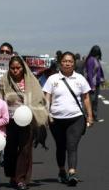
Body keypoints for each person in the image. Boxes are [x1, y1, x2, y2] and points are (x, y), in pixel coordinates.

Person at [42, 51, 93, 187]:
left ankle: (72, 173)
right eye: (65, 61)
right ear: (60, 62)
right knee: (60, 146)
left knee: (72, 145)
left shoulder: (80, 78)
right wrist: (47, 114)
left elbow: (86, 98)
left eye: (70, 61)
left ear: (74, 63)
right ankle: (61, 171)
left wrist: (90, 115)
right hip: (56, 119)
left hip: (76, 118)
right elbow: (47, 97)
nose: (67, 63)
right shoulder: (53, 79)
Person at [0, 56, 49, 190]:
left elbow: (39, 98)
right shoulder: (4, 81)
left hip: (28, 120)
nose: (15, 71)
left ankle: (21, 179)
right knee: (10, 149)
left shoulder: (32, 81)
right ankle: (12, 176)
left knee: (25, 150)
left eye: (18, 68)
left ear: (23, 68)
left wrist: (34, 110)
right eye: (13, 68)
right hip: (10, 120)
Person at [85, 45, 105, 122]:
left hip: (97, 83)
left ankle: (94, 116)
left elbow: (99, 71)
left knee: (95, 101)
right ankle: (89, 116)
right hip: (92, 84)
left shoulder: (96, 60)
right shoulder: (90, 60)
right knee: (91, 100)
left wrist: (102, 79)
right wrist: (91, 85)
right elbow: (89, 73)